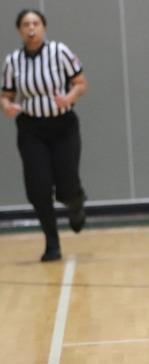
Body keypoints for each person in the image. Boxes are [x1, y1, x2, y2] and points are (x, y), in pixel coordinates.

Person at [1, 9, 88, 262]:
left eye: (36, 23)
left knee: (67, 184)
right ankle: (52, 244)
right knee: (38, 189)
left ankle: (75, 203)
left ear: (43, 27)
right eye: (26, 24)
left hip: (63, 127)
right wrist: (7, 106)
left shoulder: (59, 52)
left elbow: (81, 84)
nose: (31, 28)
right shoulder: (13, 61)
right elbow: (6, 95)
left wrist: (68, 98)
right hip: (32, 130)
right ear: (19, 30)